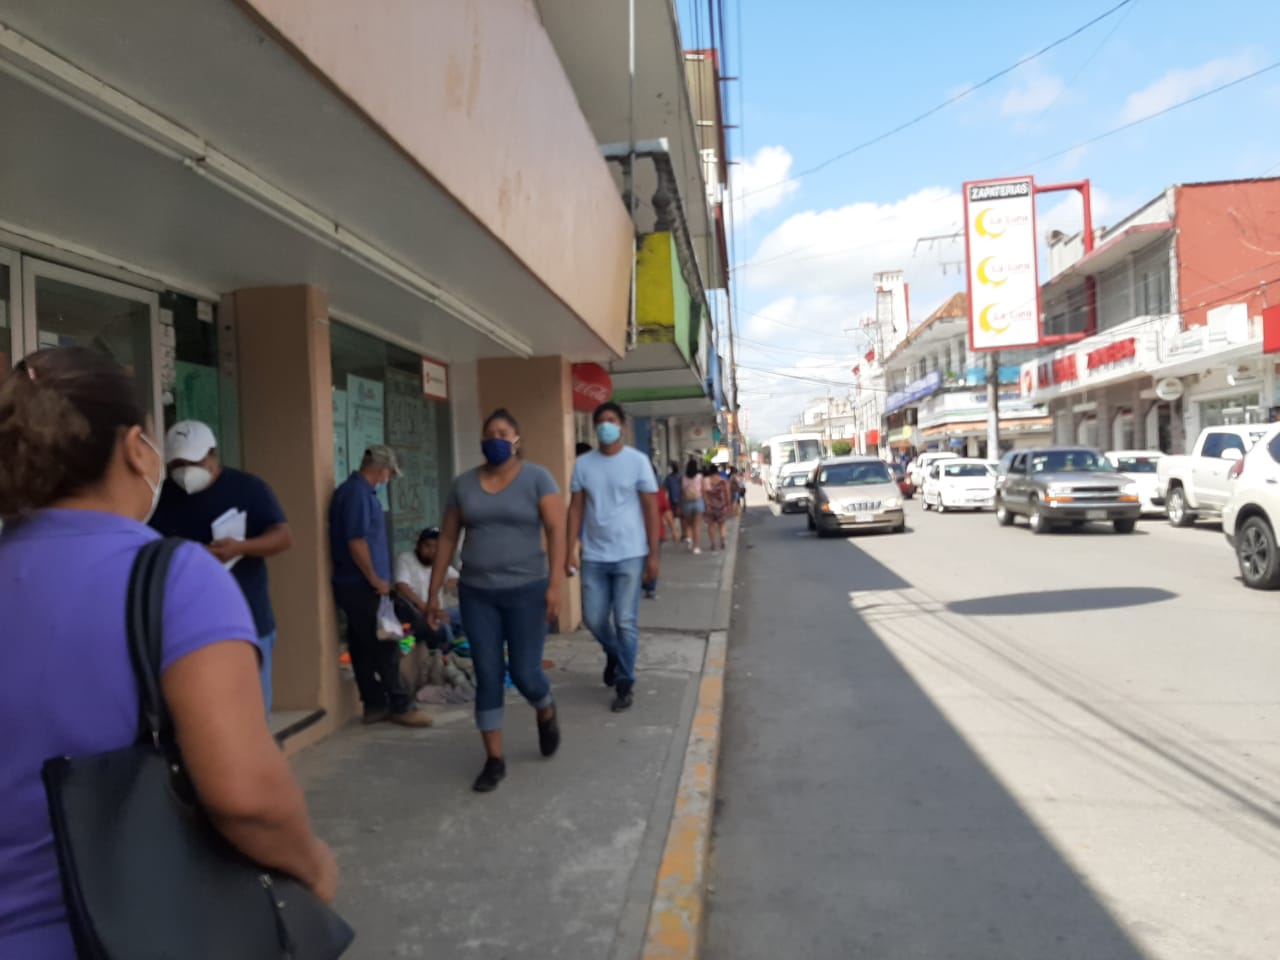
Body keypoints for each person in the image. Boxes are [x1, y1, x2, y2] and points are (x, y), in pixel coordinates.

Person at [0, 347, 337, 958]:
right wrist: (312, 866)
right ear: (136, 448)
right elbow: (245, 796)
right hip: (117, 931)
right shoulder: (171, 577)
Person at [427, 409, 565, 792]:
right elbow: (449, 540)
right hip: (478, 593)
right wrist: (433, 591)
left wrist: (555, 584)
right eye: (490, 432)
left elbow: (556, 530)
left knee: (524, 672)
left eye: (504, 432)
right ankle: (494, 760)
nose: (496, 438)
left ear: (517, 439)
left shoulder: (538, 478)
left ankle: (545, 707)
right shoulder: (464, 485)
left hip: (527, 591)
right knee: (487, 674)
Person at [149, 420, 292, 712]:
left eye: (194, 462)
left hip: (247, 617)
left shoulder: (248, 489)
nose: (186, 471)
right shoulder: (160, 497)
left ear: (213, 456)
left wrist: (240, 548)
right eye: (177, 464)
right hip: (185, 622)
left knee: (251, 708)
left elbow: (282, 537)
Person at [567, 402, 660, 712]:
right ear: (595, 428)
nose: (606, 426)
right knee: (593, 619)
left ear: (621, 426)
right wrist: (570, 548)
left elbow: (650, 508)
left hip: (631, 554)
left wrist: (654, 555)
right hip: (594, 556)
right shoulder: (583, 464)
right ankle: (614, 653)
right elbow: (576, 508)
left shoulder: (637, 461)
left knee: (625, 621)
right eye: (601, 421)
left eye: (611, 420)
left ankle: (625, 682)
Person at [330, 446, 433, 728]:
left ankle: (374, 704)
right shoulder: (357, 495)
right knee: (386, 645)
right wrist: (375, 578)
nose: (388, 479)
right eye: (389, 473)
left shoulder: (356, 493)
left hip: (356, 584)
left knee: (362, 647)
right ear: (381, 469)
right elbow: (356, 541)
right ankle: (401, 705)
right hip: (363, 586)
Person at [394, 527, 463, 652]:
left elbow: (458, 579)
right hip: (416, 616)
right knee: (443, 629)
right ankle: (446, 649)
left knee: (467, 614)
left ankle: (453, 640)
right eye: (427, 546)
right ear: (418, 545)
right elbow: (401, 586)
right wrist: (426, 608)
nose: (432, 550)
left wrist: (445, 582)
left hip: (438, 612)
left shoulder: (439, 562)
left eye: (436, 547)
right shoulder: (406, 559)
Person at [703, 464, 731, 550]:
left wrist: (706, 504)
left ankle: (713, 543)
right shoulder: (723, 481)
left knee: (710, 525)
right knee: (722, 524)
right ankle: (722, 539)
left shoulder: (706, 481)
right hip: (721, 506)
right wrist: (728, 505)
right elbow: (727, 494)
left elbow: (704, 494)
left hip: (710, 507)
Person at [681, 459, 705, 555]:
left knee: (689, 524)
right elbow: (703, 491)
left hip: (687, 503)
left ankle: (689, 539)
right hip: (698, 501)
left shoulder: (684, 478)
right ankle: (696, 547)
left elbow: (682, 491)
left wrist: (681, 503)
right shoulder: (700, 477)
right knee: (697, 526)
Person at [664, 460, 684, 541]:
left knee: (673, 517)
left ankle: (675, 533)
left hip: (672, 500)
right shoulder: (681, 477)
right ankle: (681, 533)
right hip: (681, 499)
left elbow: (666, 489)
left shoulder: (668, 478)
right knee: (681, 517)